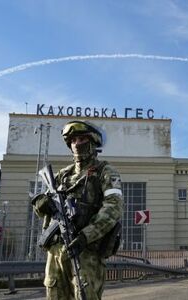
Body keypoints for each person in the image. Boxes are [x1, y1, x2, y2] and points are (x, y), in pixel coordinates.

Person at [32, 120, 123, 300]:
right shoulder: (62, 175)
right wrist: (41, 204)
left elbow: (113, 208)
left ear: (93, 141)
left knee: (85, 294)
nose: (77, 144)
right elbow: (41, 208)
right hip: (56, 251)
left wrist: (86, 236)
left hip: (86, 251)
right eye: (73, 140)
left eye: (81, 139)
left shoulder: (105, 172)